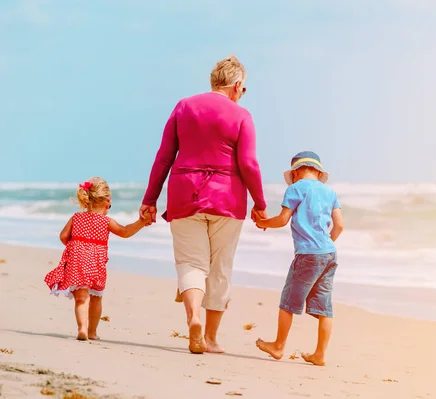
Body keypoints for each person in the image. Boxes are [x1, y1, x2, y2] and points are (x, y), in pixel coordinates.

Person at [139, 55, 267, 354]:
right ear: (237, 85)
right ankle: (209, 338)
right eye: (244, 89)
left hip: (185, 195)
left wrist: (150, 199)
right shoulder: (241, 115)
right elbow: (248, 163)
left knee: (191, 264)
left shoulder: (184, 106)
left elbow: (164, 157)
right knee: (220, 268)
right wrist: (260, 203)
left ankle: (193, 317)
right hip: (228, 198)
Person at [253, 151, 344, 366]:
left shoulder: (295, 189)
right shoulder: (330, 193)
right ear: (319, 172)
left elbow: (283, 219)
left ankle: (278, 346)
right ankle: (320, 354)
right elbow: (339, 226)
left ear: (295, 173)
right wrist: (325, 245)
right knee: (324, 307)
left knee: (289, 301)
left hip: (307, 255)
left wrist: (262, 223)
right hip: (329, 253)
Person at [44, 177, 151, 341]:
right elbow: (125, 232)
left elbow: (63, 236)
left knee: (81, 298)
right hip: (96, 263)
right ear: (108, 202)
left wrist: (74, 245)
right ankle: (93, 332)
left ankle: (82, 329)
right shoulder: (106, 221)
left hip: (77, 261)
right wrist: (141, 222)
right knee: (96, 298)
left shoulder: (76, 218)